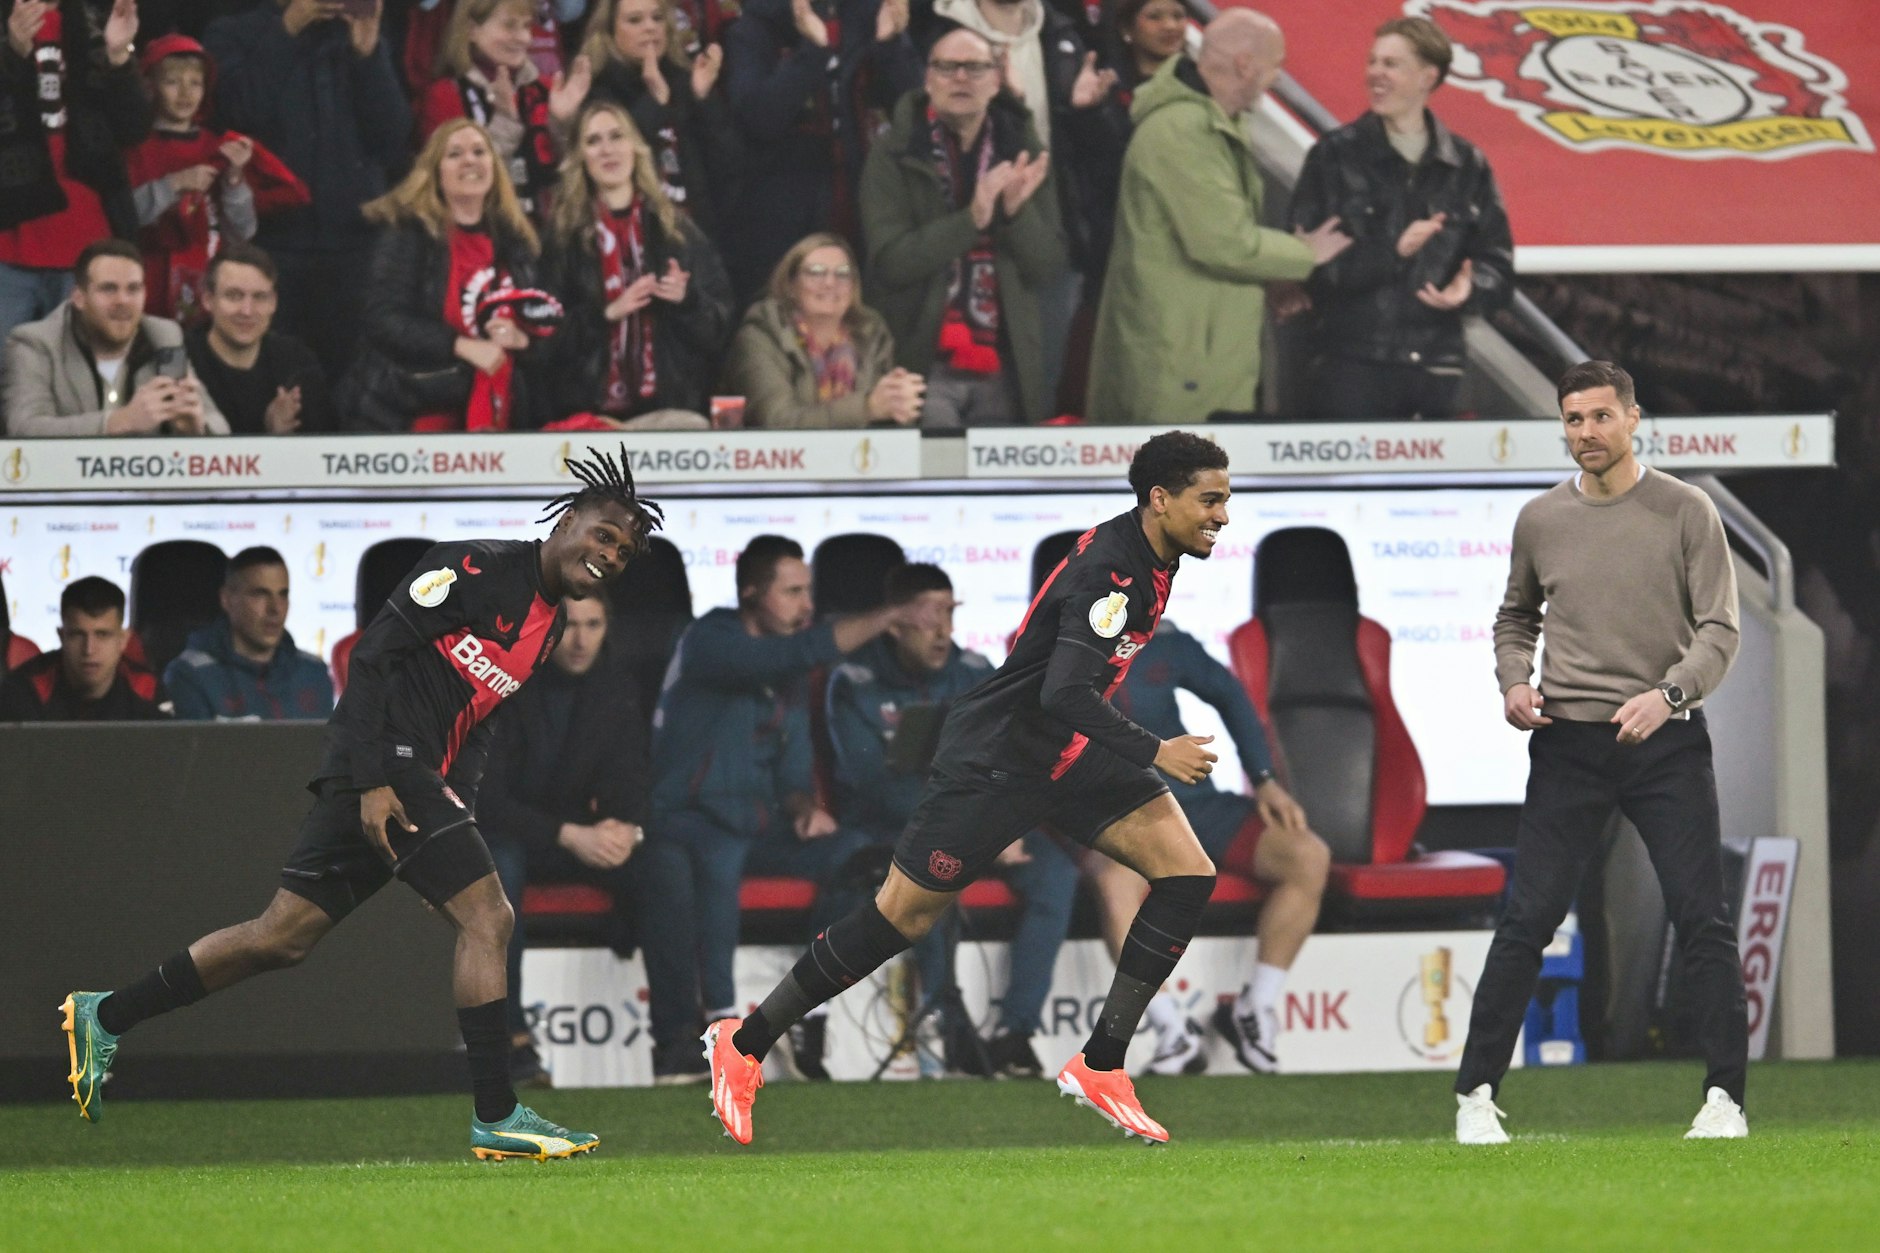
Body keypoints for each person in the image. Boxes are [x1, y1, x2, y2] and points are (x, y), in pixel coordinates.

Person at [61, 448, 664, 1160]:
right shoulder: (473, 567)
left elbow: (479, 718)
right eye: (602, 534)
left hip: (411, 778)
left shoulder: (551, 627)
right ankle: (498, 1113)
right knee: (490, 916)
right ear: (567, 520)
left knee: (280, 936)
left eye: (622, 551)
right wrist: (376, 777)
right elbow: (373, 656)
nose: (608, 554)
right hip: (384, 763)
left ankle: (106, 1013)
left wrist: (458, 811)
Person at [704, 432, 1230, 1146]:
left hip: (1068, 756)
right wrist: (1156, 750)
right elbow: (1064, 691)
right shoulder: (1115, 576)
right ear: (1160, 500)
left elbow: (1044, 652)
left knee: (1187, 872)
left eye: (1226, 499)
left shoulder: (1146, 553)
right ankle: (743, 1043)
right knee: (900, 920)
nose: (1222, 515)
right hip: (1000, 761)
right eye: (1211, 499)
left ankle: (1101, 1062)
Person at [1455, 361, 1750, 1144]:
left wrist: (1671, 695)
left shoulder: (1687, 511)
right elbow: (1515, 616)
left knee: (1702, 917)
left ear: (1632, 418)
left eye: (1599, 416)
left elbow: (1721, 629)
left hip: (1666, 739)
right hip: (1569, 745)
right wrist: (1513, 681)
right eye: (1573, 419)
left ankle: (1726, 1099)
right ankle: (1475, 1096)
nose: (1586, 431)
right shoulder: (1541, 519)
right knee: (1528, 918)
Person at [635, 534, 940, 1081]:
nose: (806, 606)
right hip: (686, 822)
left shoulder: (790, 674)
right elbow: (789, 653)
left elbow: (794, 771)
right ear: (751, 592)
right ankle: (712, 1034)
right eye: (793, 592)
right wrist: (891, 613)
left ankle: (808, 1012)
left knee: (851, 854)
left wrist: (803, 806)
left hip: (758, 827)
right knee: (707, 859)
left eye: (809, 592)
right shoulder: (709, 638)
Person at [823, 561, 1079, 1078]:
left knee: (1056, 873)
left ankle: (1015, 1033)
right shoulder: (853, 682)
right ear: (895, 623)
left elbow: (1014, 757)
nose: (944, 630)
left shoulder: (975, 672)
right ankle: (952, 1027)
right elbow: (871, 783)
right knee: (932, 872)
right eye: (930, 616)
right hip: (892, 831)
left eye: (950, 613)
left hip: (977, 825)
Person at [1087, 9, 1349, 425]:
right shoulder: (1181, 130)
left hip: (1201, 357)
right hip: (1179, 364)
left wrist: (1270, 276)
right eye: (1274, 65)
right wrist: (1305, 253)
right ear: (1245, 64)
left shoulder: (1214, 125)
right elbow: (1223, 242)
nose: (1277, 79)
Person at [1096, 620, 1328, 1074]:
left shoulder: (1161, 639)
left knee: (1307, 855)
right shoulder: (1060, 643)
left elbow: (1229, 693)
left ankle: (1254, 1009)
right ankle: (1169, 1028)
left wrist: (1264, 779)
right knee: (1113, 882)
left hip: (1194, 801)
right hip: (1126, 813)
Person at [1288, 17, 1514, 421]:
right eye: (1372, 62)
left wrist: (1469, 289)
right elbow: (1306, 268)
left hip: (1437, 366)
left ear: (1428, 76)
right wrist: (1391, 252)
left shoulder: (1467, 164)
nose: (1375, 73)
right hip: (1349, 365)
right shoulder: (1334, 157)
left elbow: (1498, 264)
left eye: (1391, 64)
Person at [480, 591, 649, 1090]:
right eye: (569, 626)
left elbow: (635, 780)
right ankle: (511, 1039)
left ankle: (683, 1040)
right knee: (500, 870)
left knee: (661, 863)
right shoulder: (507, 687)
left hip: (580, 840)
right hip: (518, 835)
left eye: (593, 625)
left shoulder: (615, 688)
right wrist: (568, 834)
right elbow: (488, 801)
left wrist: (626, 830)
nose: (581, 640)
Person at [860, 28, 1066, 426]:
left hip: (1004, 363)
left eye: (974, 68)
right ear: (927, 79)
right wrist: (972, 220)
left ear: (995, 81)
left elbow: (1048, 267)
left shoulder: (1023, 149)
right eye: (947, 67)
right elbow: (890, 263)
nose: (960, 78)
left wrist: (1015, 215)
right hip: (921, 359)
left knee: (1001, 489)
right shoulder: (894, 151)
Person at [203, 0, 413, 380]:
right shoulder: (232, 33)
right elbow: (237, 114)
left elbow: (392, 139)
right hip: (270, 243)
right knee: (273, 378)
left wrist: (369, 55)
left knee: (353, 380)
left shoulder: (357, 33)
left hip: (355, 242)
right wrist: (287, 29)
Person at [338, 119, 549, 432]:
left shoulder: (517, 239)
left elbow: (545, 322)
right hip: (409, 413)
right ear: (435, 172)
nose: (470, 160)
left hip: (498, 413)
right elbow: (382, 318)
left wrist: (525, 339)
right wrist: (460, 345)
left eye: (479, 151)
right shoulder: (408, 233)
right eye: (454, 154)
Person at [538, 100, 733, 426]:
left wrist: (686, 301)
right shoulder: (562, 238)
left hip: (667, 411)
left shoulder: (677, 230)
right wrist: (606, 314)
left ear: (635, 148)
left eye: (617, 136)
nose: (607, 150)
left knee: (690, 428)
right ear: (581, 158)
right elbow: (542, 340)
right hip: (589, 416)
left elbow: (718, 327)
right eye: (593, 141)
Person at [721, 0, 920, 296]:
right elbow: (759, 119)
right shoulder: (755, 27)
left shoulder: (875, 15)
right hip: (779, 218)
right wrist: (812, 53)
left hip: (866, 204)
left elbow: (917, 115)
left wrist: (890, 46)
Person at [124, 33, 309, 322]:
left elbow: (241, 233)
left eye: (195, 83)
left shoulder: (217, 147)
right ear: (151, 87)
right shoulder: (136, 147)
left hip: (206, 281)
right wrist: (173, 185)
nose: (185, 93)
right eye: (173, 82)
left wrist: (235, 180)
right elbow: (122, 217)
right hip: (146, 278)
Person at [0, 0, 150, 347]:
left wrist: (118, 57)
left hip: (88, 247)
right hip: (8, 245)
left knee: (80, 386)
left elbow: (134, 129)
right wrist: (11, 54)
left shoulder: (96, 22)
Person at [4, 238, 229, 437]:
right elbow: (25, 428)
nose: (123, 300)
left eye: (133, 289)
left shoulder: (163, 336)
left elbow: (218, 424)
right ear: (79, 297)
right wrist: (118, 422)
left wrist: (196, 428)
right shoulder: (34, 343)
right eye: (109, 289)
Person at [722, 232, 924, 429]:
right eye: (816, 272)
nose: (830, 283)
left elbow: (889, 419)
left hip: (857, 458)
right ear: (791, 285)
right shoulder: (760, 334)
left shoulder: (871, 333)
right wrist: (866, 407)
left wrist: (900, 402)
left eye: (843, 274)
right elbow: (778, 421)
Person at [581, 0, 740, 249]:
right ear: (610, 31)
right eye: (635, 20)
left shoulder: (684, 80)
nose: (650, 27)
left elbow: (729, 166)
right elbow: (617, 166)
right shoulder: (597, 93)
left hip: (700, 241)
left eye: (658, 18)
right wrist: (655, 103)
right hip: (635, 245)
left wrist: (703, 98)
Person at [417, 0, 593, 214]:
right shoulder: (446, 95)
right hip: (486, 234)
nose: (523, 38)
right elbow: (455, 185)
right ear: (472, 29)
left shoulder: (547, 90)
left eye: (527, 26)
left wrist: (564, 126)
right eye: (509, 25)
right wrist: (504, 124)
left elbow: (572, 180)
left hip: (548, 236)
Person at [163, 546, 335, 722]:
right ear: (227, 599)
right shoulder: (190, 676)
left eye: (282, 595)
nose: (275, 609)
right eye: (260, 594)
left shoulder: (314, 672)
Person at [186, 243, 334, 435]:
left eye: (259, 297)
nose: (247, 311)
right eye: (234, 296)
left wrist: (283, 439)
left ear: (274, 303)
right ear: (208, 300)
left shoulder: (298, 363)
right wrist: (268, 435)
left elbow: (325, 452)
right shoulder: (181, 363)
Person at [0, 576, 165, 722]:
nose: (89, 650)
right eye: (77, 635)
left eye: (102, 635)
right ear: (61, 636)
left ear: (123, 640)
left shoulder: (148, 689)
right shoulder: (23, 691)